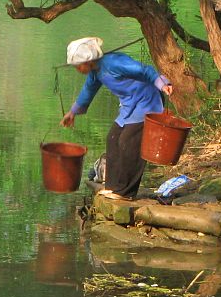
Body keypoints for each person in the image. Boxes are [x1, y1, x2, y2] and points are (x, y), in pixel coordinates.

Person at [60, 37, 173, 200]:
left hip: (146, 101)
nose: (77, 69)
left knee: (129, 141)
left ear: (88, 60)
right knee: (113, 139)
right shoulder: (95, 72)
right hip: (129, 105)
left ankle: (126, 192)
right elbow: (88, 91)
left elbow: (144, 70)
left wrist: (163, 84)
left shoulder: (114, 63)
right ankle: (113, 187)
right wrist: (72, 113)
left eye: (78, 66)